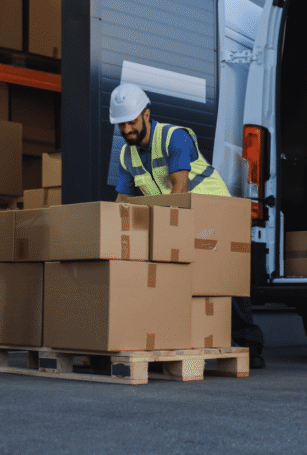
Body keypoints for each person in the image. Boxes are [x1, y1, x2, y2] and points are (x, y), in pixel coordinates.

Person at [110, 83, 266, 368]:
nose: (126, 129)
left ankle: (249, 347)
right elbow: (122, 200)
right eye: (121, 124)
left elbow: (179, 190)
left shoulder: (174, 137)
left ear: (147, 114)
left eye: (131, 122)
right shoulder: (126, 155)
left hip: (216, 214)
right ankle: (167, 342)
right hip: (180, 216)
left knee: (224, 280)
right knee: (176, 280)